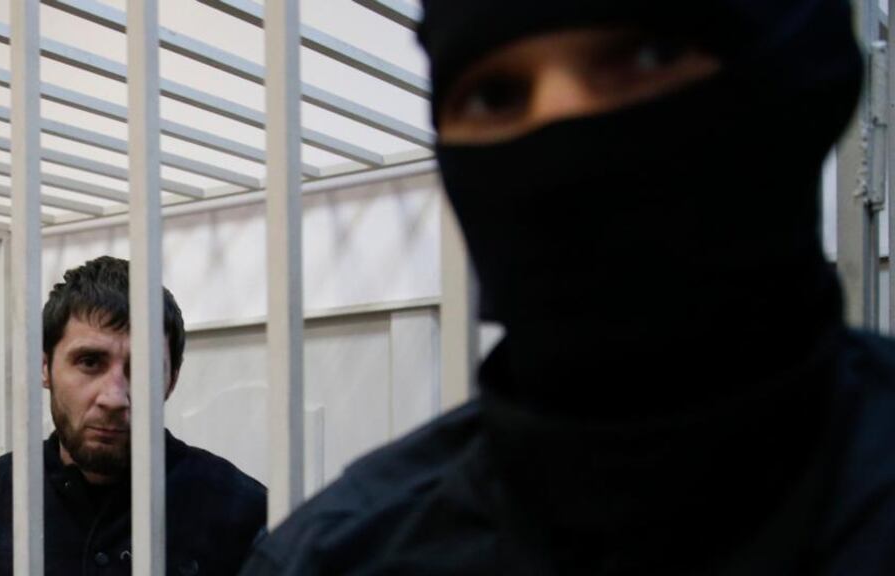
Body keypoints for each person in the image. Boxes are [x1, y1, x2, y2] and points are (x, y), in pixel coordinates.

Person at [240, 0, 895, 574]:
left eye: (649, 52)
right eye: (496, 96)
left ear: (800, 85)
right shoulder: (338, 555)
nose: (563, 136)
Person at [0, 256, 266, 575]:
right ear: (45, 368)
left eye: (142, 369)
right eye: (89, 361)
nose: (114, 398)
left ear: (172, 380)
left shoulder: (244, 512)